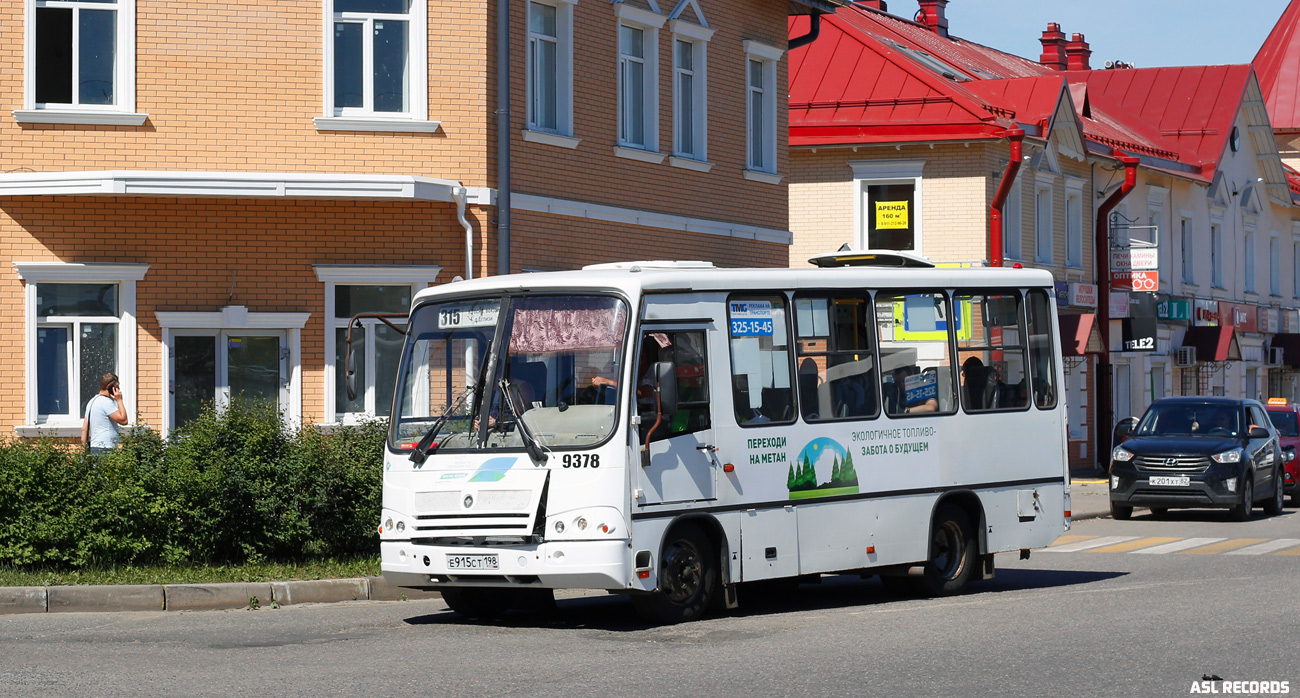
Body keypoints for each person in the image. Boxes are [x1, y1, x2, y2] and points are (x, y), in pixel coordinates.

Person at [82, 373, 127, 454]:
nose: (119, 390)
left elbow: (84, 428)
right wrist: (119, 400)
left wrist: (83, 451)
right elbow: (123, 420)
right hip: (106, 447)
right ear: (110, 387)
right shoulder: (106, 402)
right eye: (117, 387)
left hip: (95, 446)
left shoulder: (92, 401)